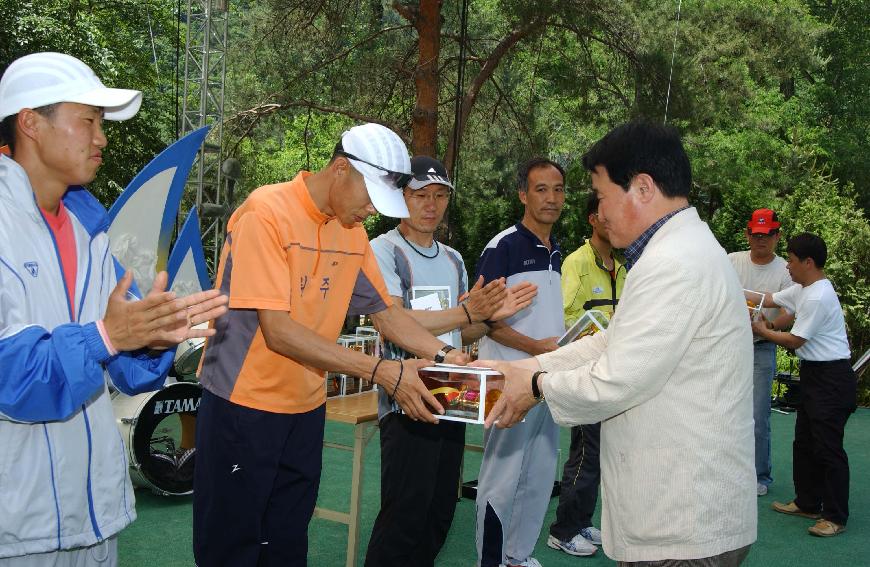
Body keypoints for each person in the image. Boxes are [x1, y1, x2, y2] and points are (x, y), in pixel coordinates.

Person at [193, 124, 474, 567]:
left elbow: (387, 314)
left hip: (305, 407)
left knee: (287, 537)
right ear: (340, 169)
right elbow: (278, 331)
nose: (370, 212)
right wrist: (381, 371)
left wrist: (443, 355)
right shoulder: (265, 213)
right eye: (369, 199)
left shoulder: (351, 231)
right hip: (242, 404)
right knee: (233, 543)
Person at [481, 121, 757, 566]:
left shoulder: (674, 263)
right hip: (681, 512)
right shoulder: (674, 251)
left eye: (603, 196)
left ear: (643, 188)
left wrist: (534, 387)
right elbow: (611, 343)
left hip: (682, 522)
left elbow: (617, 377)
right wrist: (528, 368)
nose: (599, 214)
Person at [0, 52, 228, 565]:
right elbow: (9, 377)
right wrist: (107, 336)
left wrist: (151, 338)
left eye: (102, 124)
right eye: (88, 121)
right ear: (30, 123)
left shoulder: (90, 232)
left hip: (97, 515)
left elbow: (125, 375)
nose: (101, 138)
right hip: (17, 527)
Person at [364, 156, 537, 567]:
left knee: (439, 511)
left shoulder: (455, 259)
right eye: (421, 195)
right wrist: (468, 314)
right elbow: (393, 320)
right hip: (408, 397)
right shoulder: (383, 250)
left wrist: (493, 315)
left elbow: (465, 333)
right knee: (404, 514)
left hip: (455, 398)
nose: (432, 205)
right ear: (400, 198)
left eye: (440, 196)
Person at [475, 158, 566, 567]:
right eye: (541, 189)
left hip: (547, 382)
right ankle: (490, 561)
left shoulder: (557, 250)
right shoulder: (503, 246)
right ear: (523, 195)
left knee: (541, 474)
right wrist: (536, 348)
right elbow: (485, 323)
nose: (551, 198)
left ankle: (518, 556)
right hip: (508, 384)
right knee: (501, 480)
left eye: (558, 189)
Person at [752, 233, 858, 538]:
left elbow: (796, 340)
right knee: (804, 443)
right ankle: (808, 502)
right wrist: (734, 293)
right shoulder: (803, 289)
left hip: (832, 378)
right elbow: (768, 299)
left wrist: (762, 328)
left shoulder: (817, 295)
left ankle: (835, 516)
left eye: (792, 260)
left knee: (828, 448)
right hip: (814, 375)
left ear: (808, 262)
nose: (788, 265)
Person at [547, 194, 625, 557]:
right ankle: (563, 529)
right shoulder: (576, 263)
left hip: (615, 372)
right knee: (586, 453)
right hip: (584, 372)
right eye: (608, 215)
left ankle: (580, 520)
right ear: (593, 219)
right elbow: (560, 318)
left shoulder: (621, 266)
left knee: (600, 452)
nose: (616, 222)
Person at [728, 209, 793, 497]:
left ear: (777, 236)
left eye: (767, 234)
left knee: (757, 414)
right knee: (723, 411)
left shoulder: (785, 270)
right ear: (747, 234)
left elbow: (789, 311)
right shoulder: (732, 261)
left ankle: (760, 476)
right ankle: (727, 471)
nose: (761, 240)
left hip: (761, 347)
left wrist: (768, 326)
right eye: (756, 234)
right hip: (728, 346)